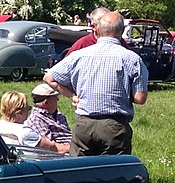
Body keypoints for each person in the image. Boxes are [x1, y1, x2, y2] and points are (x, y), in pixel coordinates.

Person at [44, 11, 148, 156]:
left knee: (79, 171)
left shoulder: (79, 55)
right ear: (122, 31)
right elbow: (140, 98)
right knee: (112, 173)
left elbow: (49, 78)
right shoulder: (132, 59)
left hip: (84, 124)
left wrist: (72, 95)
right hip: (114, 126)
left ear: (98, 29)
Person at [25, 84, 71, 154]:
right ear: (46, 102)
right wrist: (74, 148)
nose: (58, 100)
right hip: (64, 156)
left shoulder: (59, 116)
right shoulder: (37, 120)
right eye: (55, 97)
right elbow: (50, 148)